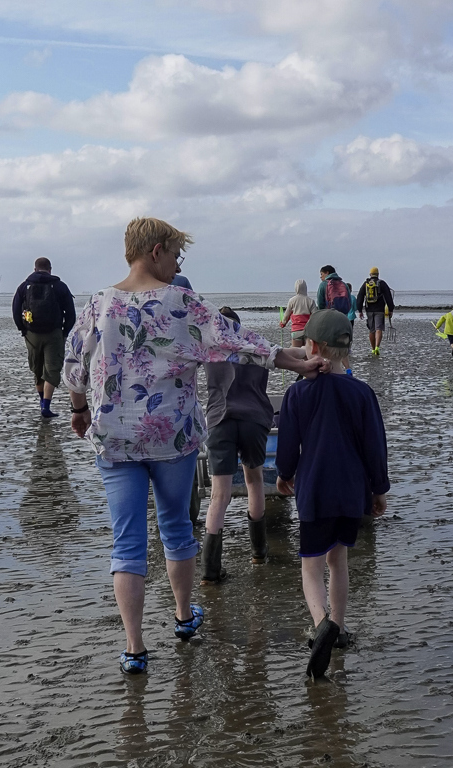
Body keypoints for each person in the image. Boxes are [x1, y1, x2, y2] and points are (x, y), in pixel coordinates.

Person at [63, 217, 326, 676]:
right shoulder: (181, 303)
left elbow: (73, 365)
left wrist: (80, 410)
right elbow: (237, 341)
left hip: (115, 440)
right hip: (172, 437)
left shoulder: (97, 304)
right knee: (174, 529)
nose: (177, 265)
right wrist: (295, 362)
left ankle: (134, 648)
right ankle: (184, 618)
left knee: (126, 542)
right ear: (157, 250)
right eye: (177, 256)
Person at [275, 309, 389, 679]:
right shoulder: (362, 392)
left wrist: (283, 475)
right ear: (347, 349)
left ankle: (321, 622)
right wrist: (378, 490)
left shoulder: (297, 393)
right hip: (351, 491)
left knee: (311, 565)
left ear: (312, 345)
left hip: (315, 490)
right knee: (338, 561)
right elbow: (376, 447)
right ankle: (338, 627)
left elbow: (288, 444)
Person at [200, 306, 280, 584]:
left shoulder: (211, 348)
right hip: (254, 418)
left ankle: (210, 570)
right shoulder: (255, 345)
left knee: (219, 495)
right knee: (254, 481)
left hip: (220, 418)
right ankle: (258, 552)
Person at [12, 258, 76, 418]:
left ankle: (42, 403)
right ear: (50, 269)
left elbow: (15, 309)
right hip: (54, 333)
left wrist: (23, 329)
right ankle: (46, 407)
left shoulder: (24, 286)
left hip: (32, 334)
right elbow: (71, 312)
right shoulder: (60, 286)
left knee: (37, 369)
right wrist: (65, 332)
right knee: (52, 369)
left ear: (35, 269)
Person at [315, 265, 355, 375]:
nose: (321, 277)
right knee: (342, 346)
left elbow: (320, 304)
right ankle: (348, 370)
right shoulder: (343, 284)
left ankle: (328, 369)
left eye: (322, 274)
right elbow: (349, 303)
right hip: (343, 319)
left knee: (327, 346)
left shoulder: (323, 285)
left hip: (329, 318)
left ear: (327, 273)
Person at [356, 267, 395, 356]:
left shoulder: (365, 284)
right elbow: (388, 297)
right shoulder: (382, 283)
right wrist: (391, 309)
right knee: (379, 328)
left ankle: (373, 349)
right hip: (380, 309)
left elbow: (360, 297)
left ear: (370, 274)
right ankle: (377, 347)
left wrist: (359, 310)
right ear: (378, 274)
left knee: (371, 330)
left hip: (369, 309)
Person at [280, 279, 318, 347]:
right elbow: (315, 316)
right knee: (308, 353)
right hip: (308, 331)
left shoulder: (292, 300)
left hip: (296, 331)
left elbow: (286, 315)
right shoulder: (310, 301)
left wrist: (283, 323)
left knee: (296, 352)